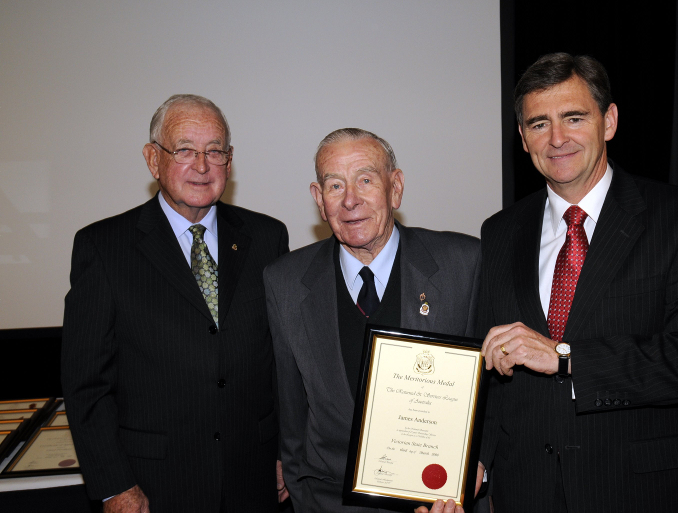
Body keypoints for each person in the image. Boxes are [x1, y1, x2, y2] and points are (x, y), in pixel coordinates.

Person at [476, 53, 678, 512]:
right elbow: (496, 371)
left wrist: (565, 357)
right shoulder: (499, 232)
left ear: (609, 121)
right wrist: (474, 458)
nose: (557, 138)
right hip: (526, 490)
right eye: (539, 124)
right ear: (522, 136)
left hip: (639, 491)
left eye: (574, 118)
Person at [62, 95, 289, 512]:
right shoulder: (104, 248)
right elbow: (86, 384)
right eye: (184, 150)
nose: (201, 166)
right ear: (153, 159)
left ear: (229, 160)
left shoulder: (267, 238)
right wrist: (115, 486)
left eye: (214, 151)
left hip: (254, 479)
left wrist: (284, 452)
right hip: (154, 487)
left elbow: (280, 361)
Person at [263, 128, 482, 513]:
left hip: (436, 502)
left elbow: (493, 387)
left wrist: (475, 467)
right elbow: (291, 414)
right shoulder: (285, 282)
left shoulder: (463, 264)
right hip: (327, 503)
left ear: (395, 188)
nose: (350, 200)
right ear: (319, 199)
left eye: (365, 180)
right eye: (335, 185)